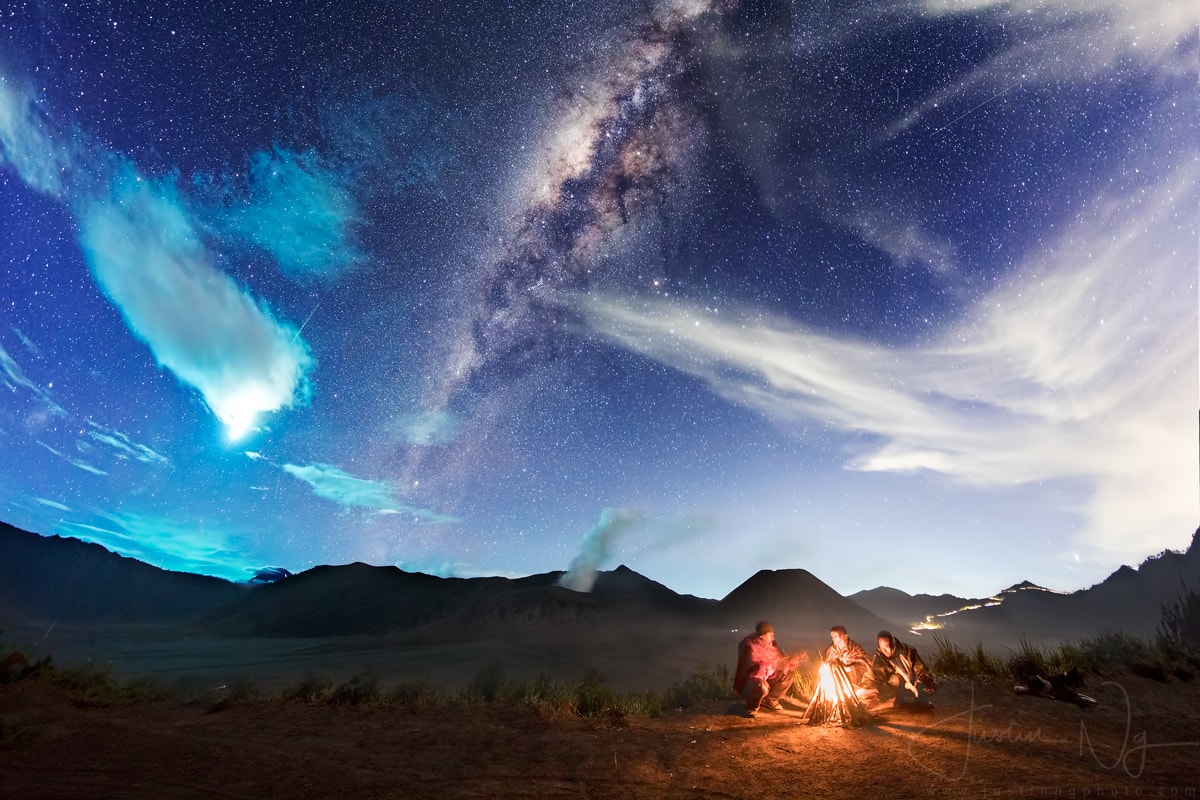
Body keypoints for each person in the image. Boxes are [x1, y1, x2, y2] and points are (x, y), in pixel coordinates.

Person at [733, 621, 806, 717]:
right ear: (762, 636)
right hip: (748, 682)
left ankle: (770, 700)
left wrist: (793, 660)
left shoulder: (771, 645)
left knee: (788, 675)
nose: (773, 638)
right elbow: (755, 670)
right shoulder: (749, 647)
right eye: (770, 635)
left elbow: (781, 660)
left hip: (764, 676)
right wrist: (775, 664)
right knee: (761, 686)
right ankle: (752, 707)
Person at [871, 630, 937, 706]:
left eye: (887, 647)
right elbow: (875, 676)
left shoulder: (907, 650)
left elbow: (920, 669)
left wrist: (921, 682)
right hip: (899, 687)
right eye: (883, 649)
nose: (885, 651)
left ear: (893, 643)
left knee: (927, 685)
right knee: (895, 680)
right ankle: (899, 699)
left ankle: (920, 700)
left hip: (914, 682)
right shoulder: (879, 657)